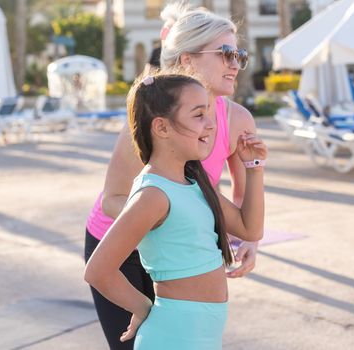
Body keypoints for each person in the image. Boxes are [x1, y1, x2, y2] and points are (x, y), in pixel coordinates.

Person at [84, 3, 260, 349]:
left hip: (176, 239)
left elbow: (242, 202)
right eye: (225, 54)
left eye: (239, 54)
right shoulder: (156, 124)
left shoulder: (237, 120)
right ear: (187, 60)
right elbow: (113, 200)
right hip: (121, 246)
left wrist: (248, 240)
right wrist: (171, 215)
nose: (235, 64)